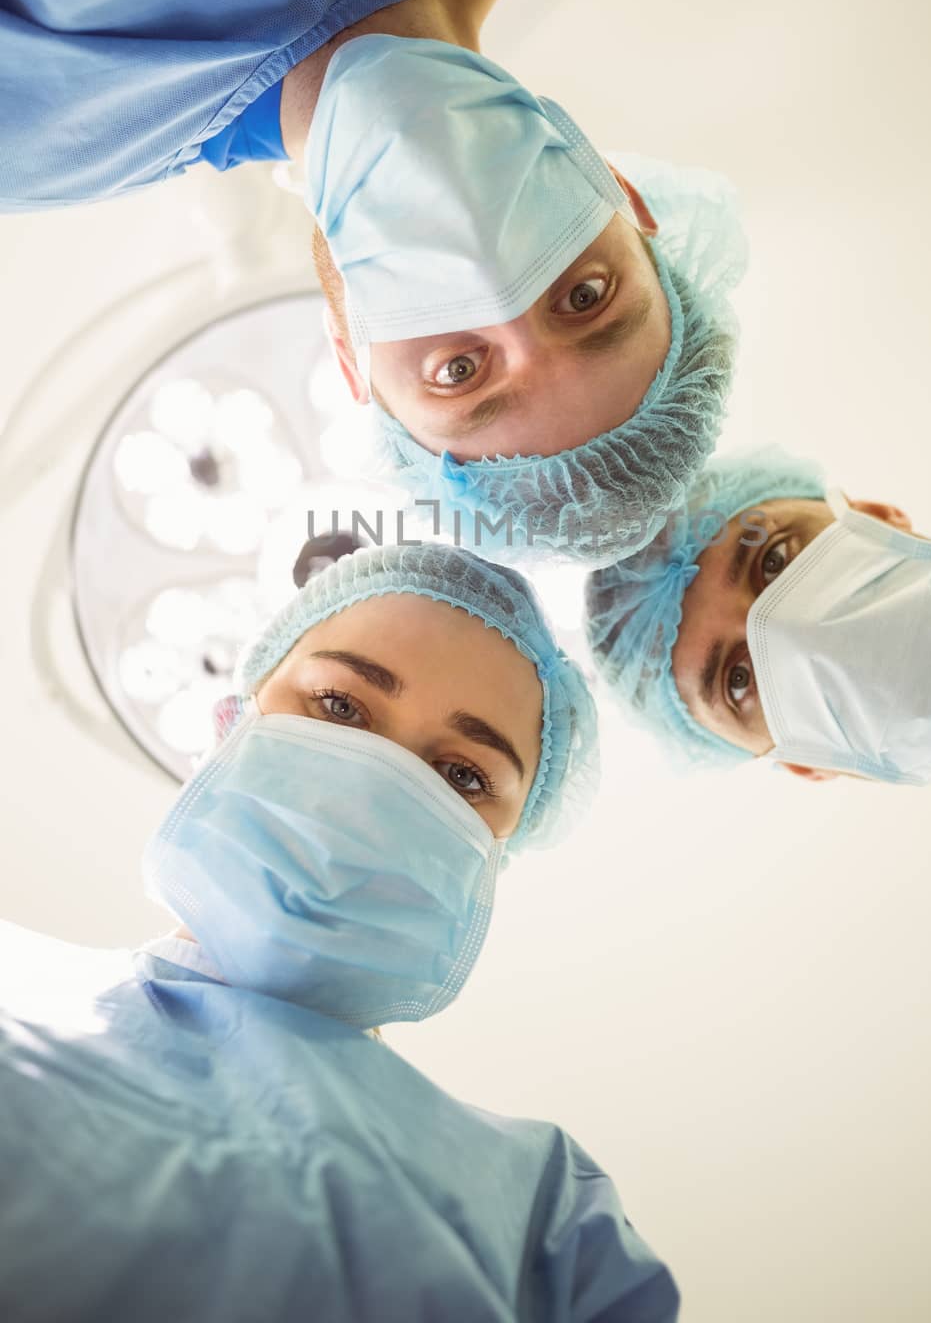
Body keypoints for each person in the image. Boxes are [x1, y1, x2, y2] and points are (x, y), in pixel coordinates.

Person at [2, 0, 743, 562]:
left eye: (460, 373)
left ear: (351, 357)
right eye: (584, 298)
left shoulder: (34, 137)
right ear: (620, 194)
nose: (491, 287)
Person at [0, 544, 679, 1321]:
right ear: (230, 725)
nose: (370, 789)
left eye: (461, 775)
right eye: (340, 706)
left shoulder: (544, 1217)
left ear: (493, 859)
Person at [585, 447, 931, 1280]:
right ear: (808, 762)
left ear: (877, 520)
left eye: (772, 559)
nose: (794, 637)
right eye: (739, 680)